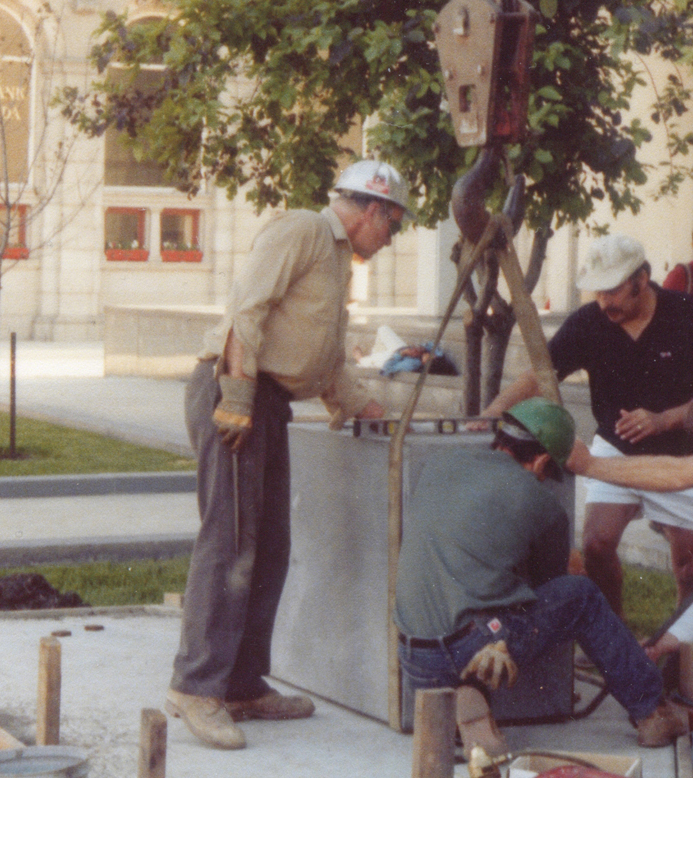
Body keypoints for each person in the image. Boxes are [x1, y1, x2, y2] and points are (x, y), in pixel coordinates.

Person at [166, 159, 411, 749]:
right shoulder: (303, 230)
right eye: (394, 226)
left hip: (269, 404)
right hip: (236, 393)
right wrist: (238, 397)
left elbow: (323, 362)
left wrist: (370, 407)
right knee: (231, 542)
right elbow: (244, 311)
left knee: (270, 546)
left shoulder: (335, 263)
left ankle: (243, 684)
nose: (391, 239)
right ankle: (196, 688)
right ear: (374, 210)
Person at [396, 398, 687, 759]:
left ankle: (467, 702)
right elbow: (546, 587)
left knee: (478, 618)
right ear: (543, 461)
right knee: (580, 595)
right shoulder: (540, 502)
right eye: (548, 472)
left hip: (415, 657)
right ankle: (653, 712)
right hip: (476, 645)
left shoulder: (442, 462)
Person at [480, 233, 693, 616]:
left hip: (680, 453)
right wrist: (492, 413)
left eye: (611, 291)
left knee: (687, 564)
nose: (603, 301)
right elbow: (540, 375)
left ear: (641, 280)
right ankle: (615, 637)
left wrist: (664, 420)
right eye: (597, 291)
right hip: (614, 446)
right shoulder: (588, 322)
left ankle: (678, 645)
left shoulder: (685, 313)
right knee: (595, 544)